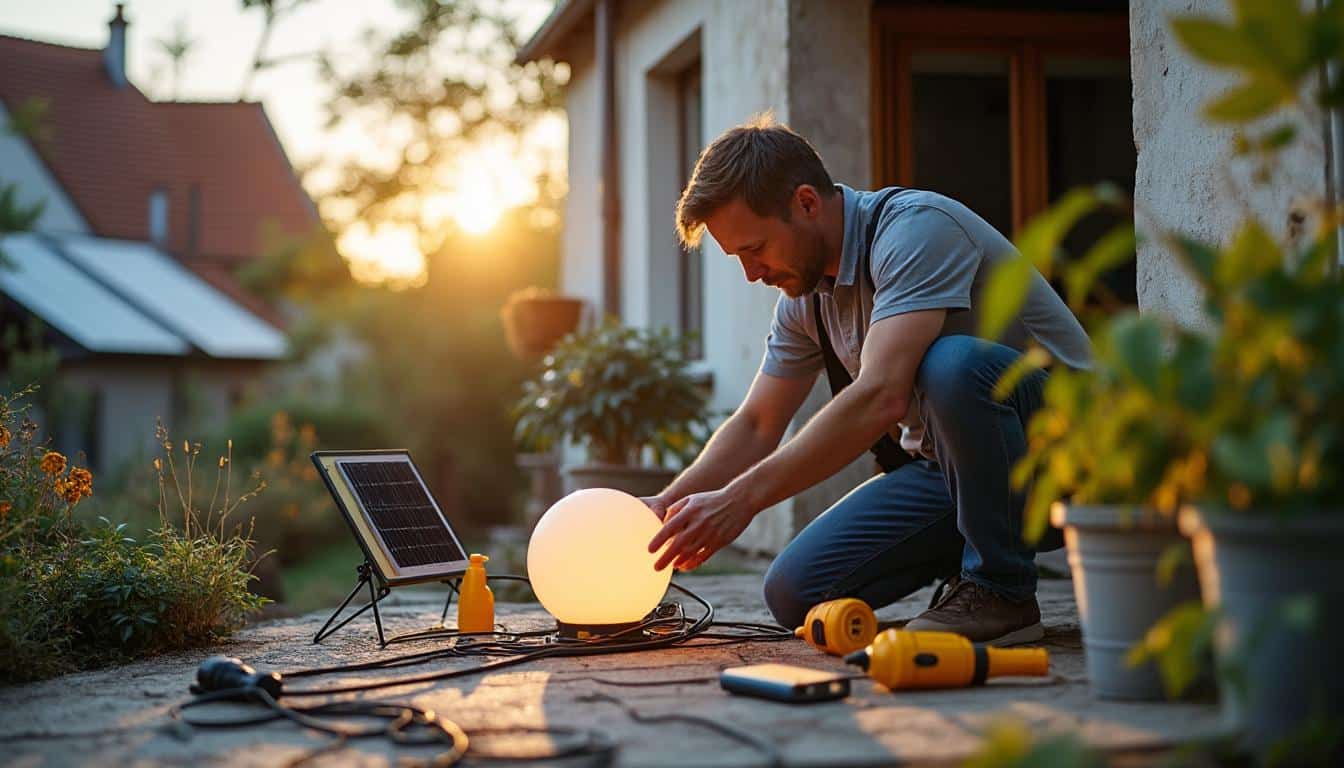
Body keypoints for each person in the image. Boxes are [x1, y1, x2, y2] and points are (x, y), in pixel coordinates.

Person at [642, 115, 1092, 645]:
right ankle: (967, 569)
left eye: (755, 249)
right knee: (795, 593)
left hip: (1069, 453)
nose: (752, 273)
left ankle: (1001, 591)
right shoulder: (804, 297)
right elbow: (759, 422)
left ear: (806, 203)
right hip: (954, 473)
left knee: (952, 366)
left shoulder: (916, 229)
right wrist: (663, 506)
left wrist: (741, 500)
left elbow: (881, 395)